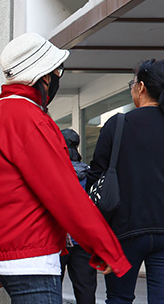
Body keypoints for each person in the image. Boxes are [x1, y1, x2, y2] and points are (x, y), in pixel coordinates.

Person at [0, 33, 131, 303]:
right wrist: (106, 247)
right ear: (44, 77)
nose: (58, 76)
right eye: (57, 71)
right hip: (30, 252)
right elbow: (65, 194)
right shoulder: (31, 119)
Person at [87, 59, 164, 304]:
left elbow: (95, 180)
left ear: (141, 87)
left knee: (118, 298)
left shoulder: (117, 125)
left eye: (132, 83)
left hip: (125, 229)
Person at [60, 128, 97, 304]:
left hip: (58, 240)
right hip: (83, 240)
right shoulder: (90, 173)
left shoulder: (55, 172)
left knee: (52, 291)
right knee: (86, 292)